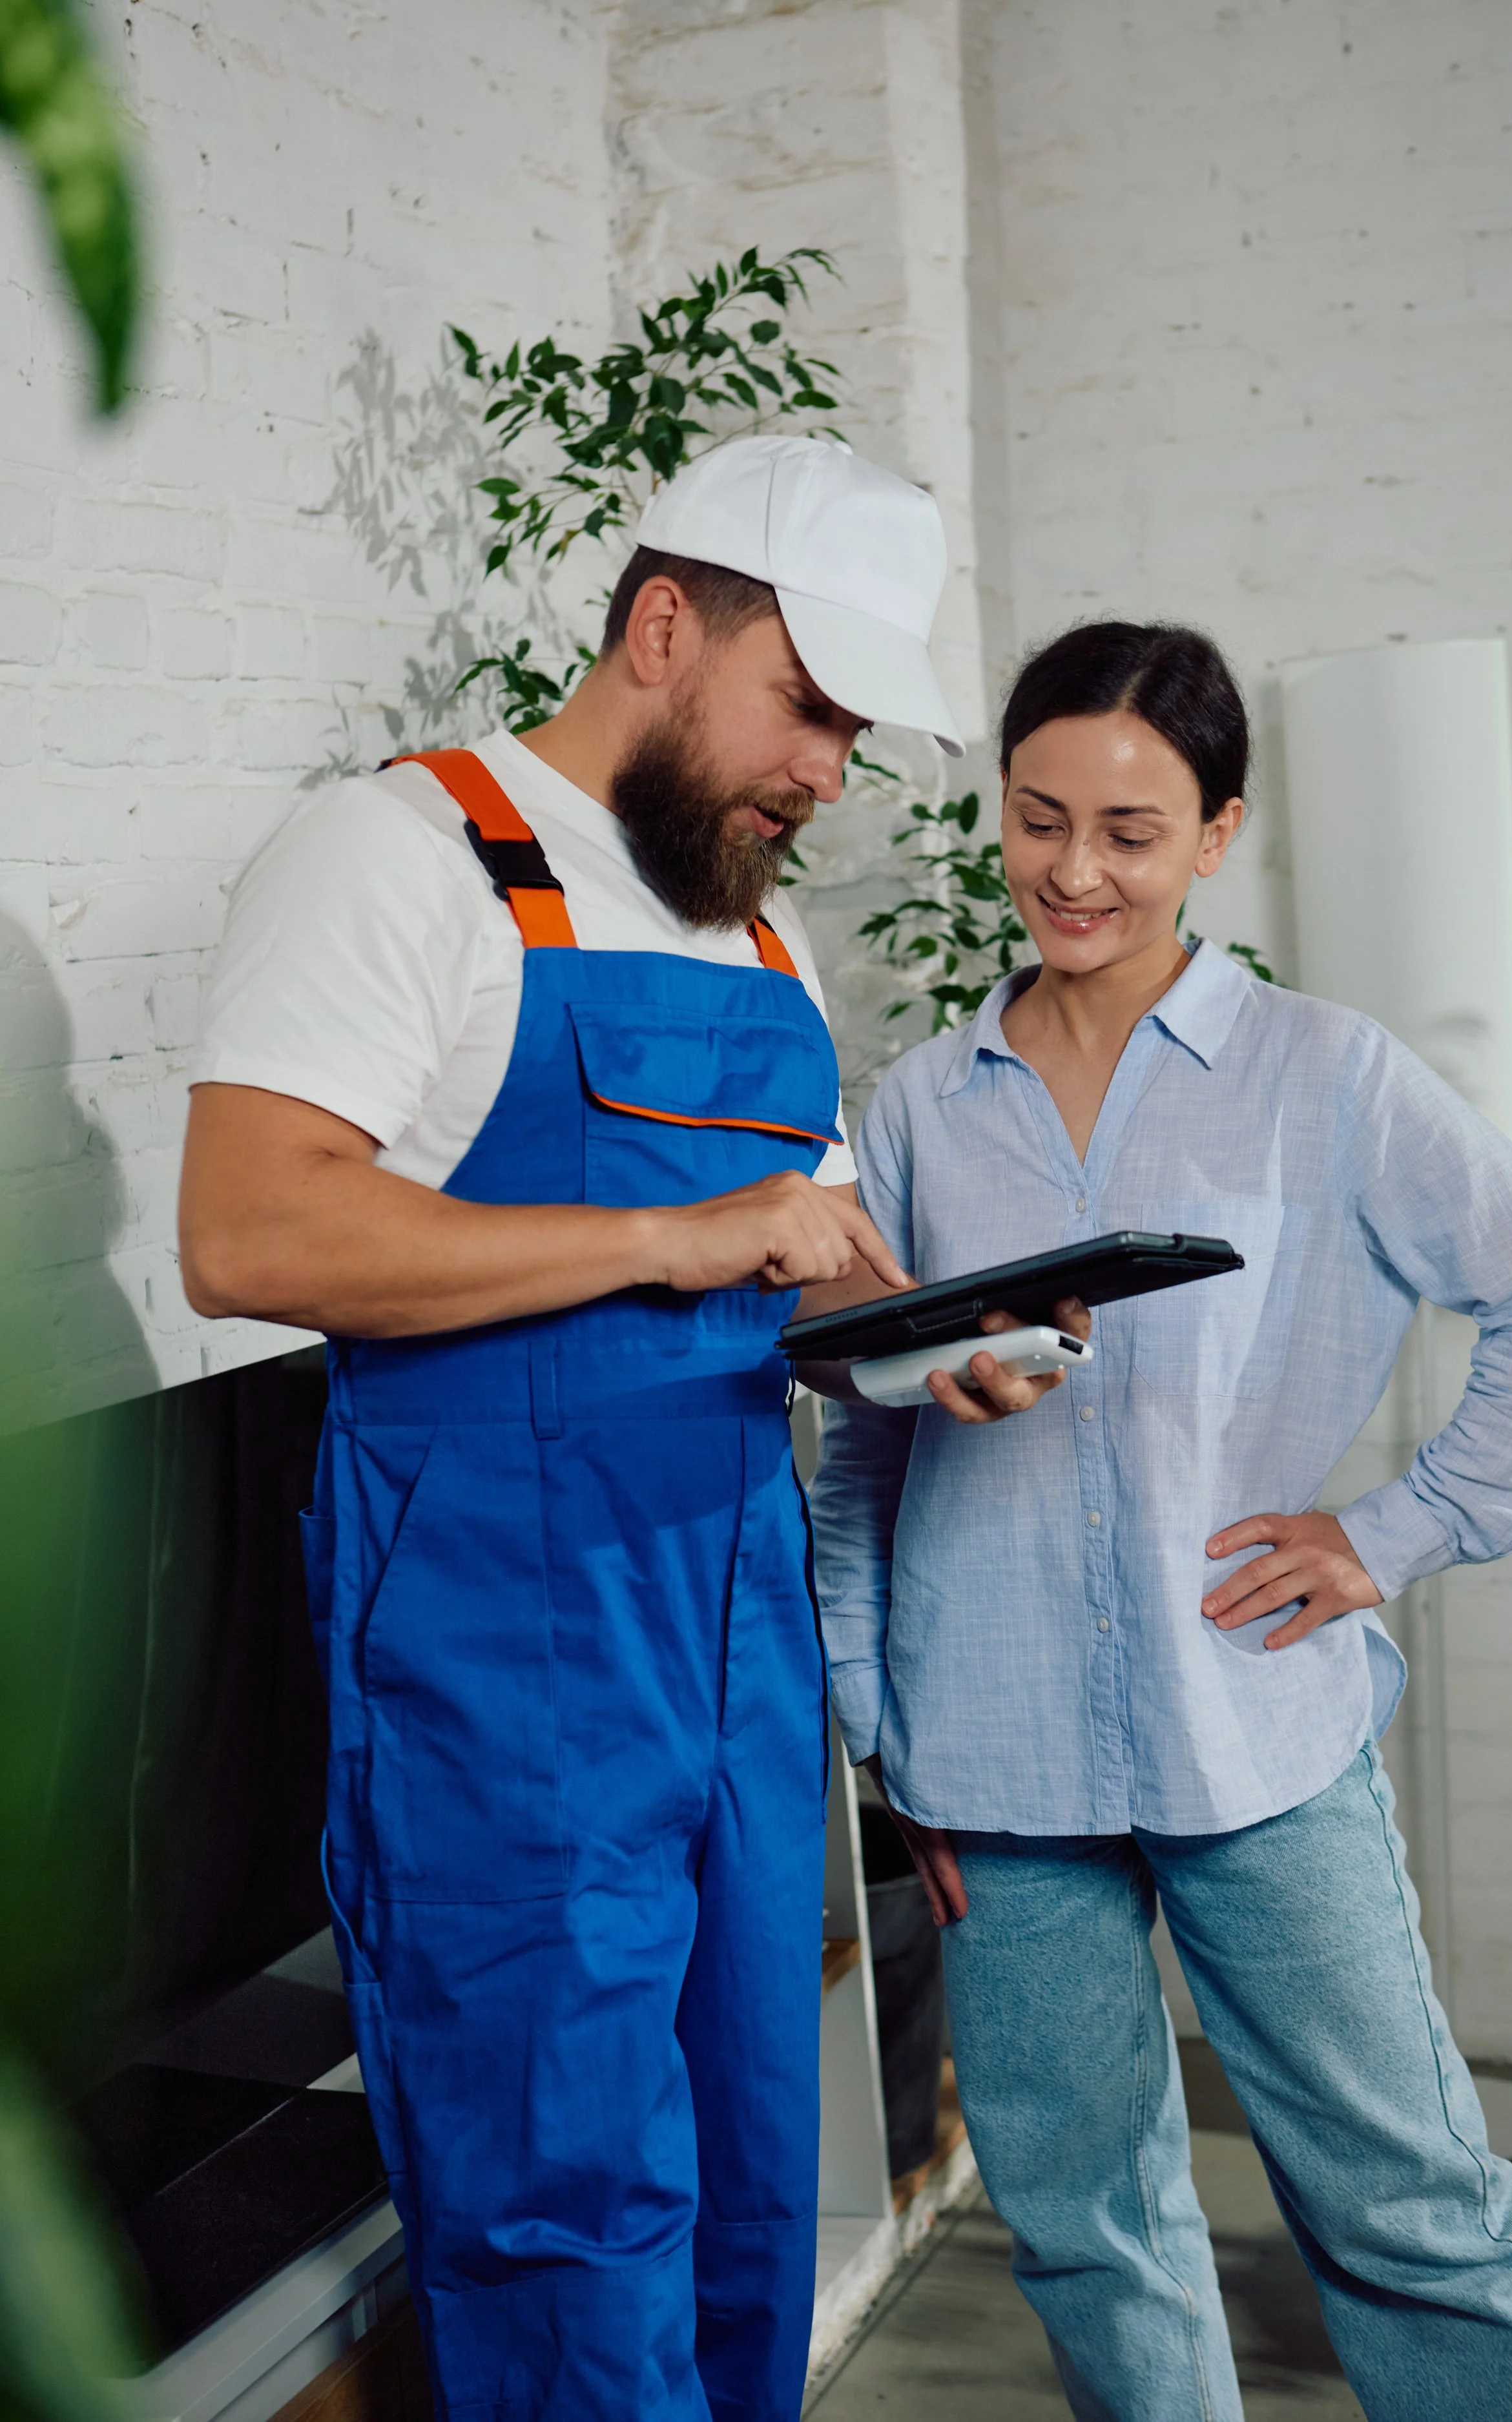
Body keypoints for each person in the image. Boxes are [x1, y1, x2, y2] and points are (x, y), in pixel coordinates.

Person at [176, 435, 1061, 2422]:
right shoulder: (402, 851)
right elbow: (246, 1231)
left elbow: (804, 1265)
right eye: (804, 705)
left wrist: (931, 1337)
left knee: (753, 2192)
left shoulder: (759, 935)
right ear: (662, 627)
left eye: (852, 730)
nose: (827, 769)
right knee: (566, 2218)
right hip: (505, 1656)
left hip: (733, 1646)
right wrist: (675, 1233)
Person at [810, 619, 1512, 2422]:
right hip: (990, 1758)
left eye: (1129, 831)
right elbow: (861, 1446)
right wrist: (880, 1724)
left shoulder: (1325, 1074)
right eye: (1038, 820)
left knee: (1408, 2201)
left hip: (1257, 1730)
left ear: (1216, 832)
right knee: (1085, 2226)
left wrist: (1389, 1533)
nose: (1073, 873)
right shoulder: (922, 1107)